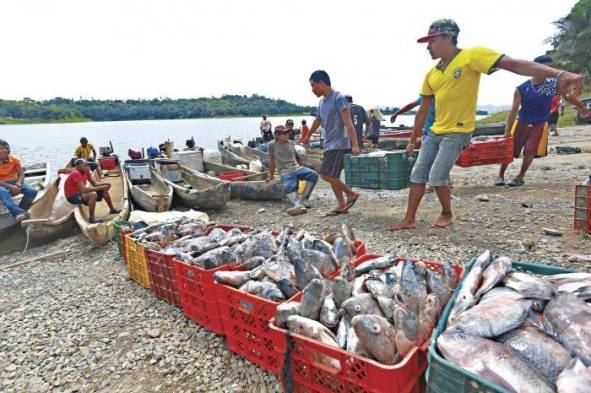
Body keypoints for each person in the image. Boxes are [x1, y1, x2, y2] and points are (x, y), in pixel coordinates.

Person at [389, 18, 585, 231]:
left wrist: (560, 74)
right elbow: (423, 110)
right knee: (417, 175)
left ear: (448, 37)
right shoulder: (431, 74)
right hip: (434, 132)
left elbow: (513, 64)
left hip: (458, 131)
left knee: (437, 177)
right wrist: (412, 140)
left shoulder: (471, 56)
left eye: (432, 41)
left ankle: (447, 212)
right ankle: (409, 219)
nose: (428, 47)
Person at [496, 55, 590, 187]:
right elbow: (513, 111)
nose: (550, 71)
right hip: (521, 122)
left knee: (530, 151)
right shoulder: (521, 88)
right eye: (547, 68)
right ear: (535, 68)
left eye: (551, 68)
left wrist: (582, 108)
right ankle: (500, 175)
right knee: (510, 150)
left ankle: (520, 176)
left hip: (539, 123)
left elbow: (568, 97)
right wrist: (507, 131)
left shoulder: (553, 85)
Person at [304, 70, 360, 215]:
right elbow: (318, 120)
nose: (312, 90)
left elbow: (348, 123)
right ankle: (341, 204)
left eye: (313, 85)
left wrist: (355, 144)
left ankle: (351, 194)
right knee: (333, 176)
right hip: (329, 144)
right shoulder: (322, 101)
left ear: (322, 83)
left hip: (340, 144)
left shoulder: (339, 98)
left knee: (325, 175)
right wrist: (308, 135)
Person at [267, 125, 318, 216]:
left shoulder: (290, 143)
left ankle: (303, 199)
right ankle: (296, 204)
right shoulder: (271, 145)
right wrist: (270, 177)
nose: (287, 134)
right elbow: (271, 162)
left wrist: (302, 169)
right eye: (284, 133)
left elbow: (297, 156)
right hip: (284, 171)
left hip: (296, 168)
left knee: (313, 174)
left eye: (287, 133)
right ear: (277, 135)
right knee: (289, 186)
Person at [64, 159, 120, 224]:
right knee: (93, 194)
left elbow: (95, 184)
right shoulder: (75, 173)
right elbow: (84, 190)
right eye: (84, 165)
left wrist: (105, 184)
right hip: (72, 196)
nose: (87, 167)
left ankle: (112, 209)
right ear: (78, 167)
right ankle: (92, 218)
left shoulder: (86, 172)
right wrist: (101, 187)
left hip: (80, 193)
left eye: (87, 165)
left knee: (103, 190)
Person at [0, 139, 38, 222]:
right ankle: (20, 213)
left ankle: (20, 212)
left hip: (13, 181)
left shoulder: (14, 160)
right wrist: (11, 187)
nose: (5, 150)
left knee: (32, 191)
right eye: (2, 148)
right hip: (1, 184)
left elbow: (21, 174)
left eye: (7, 148)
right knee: (3, 192)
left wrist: (18, 185)